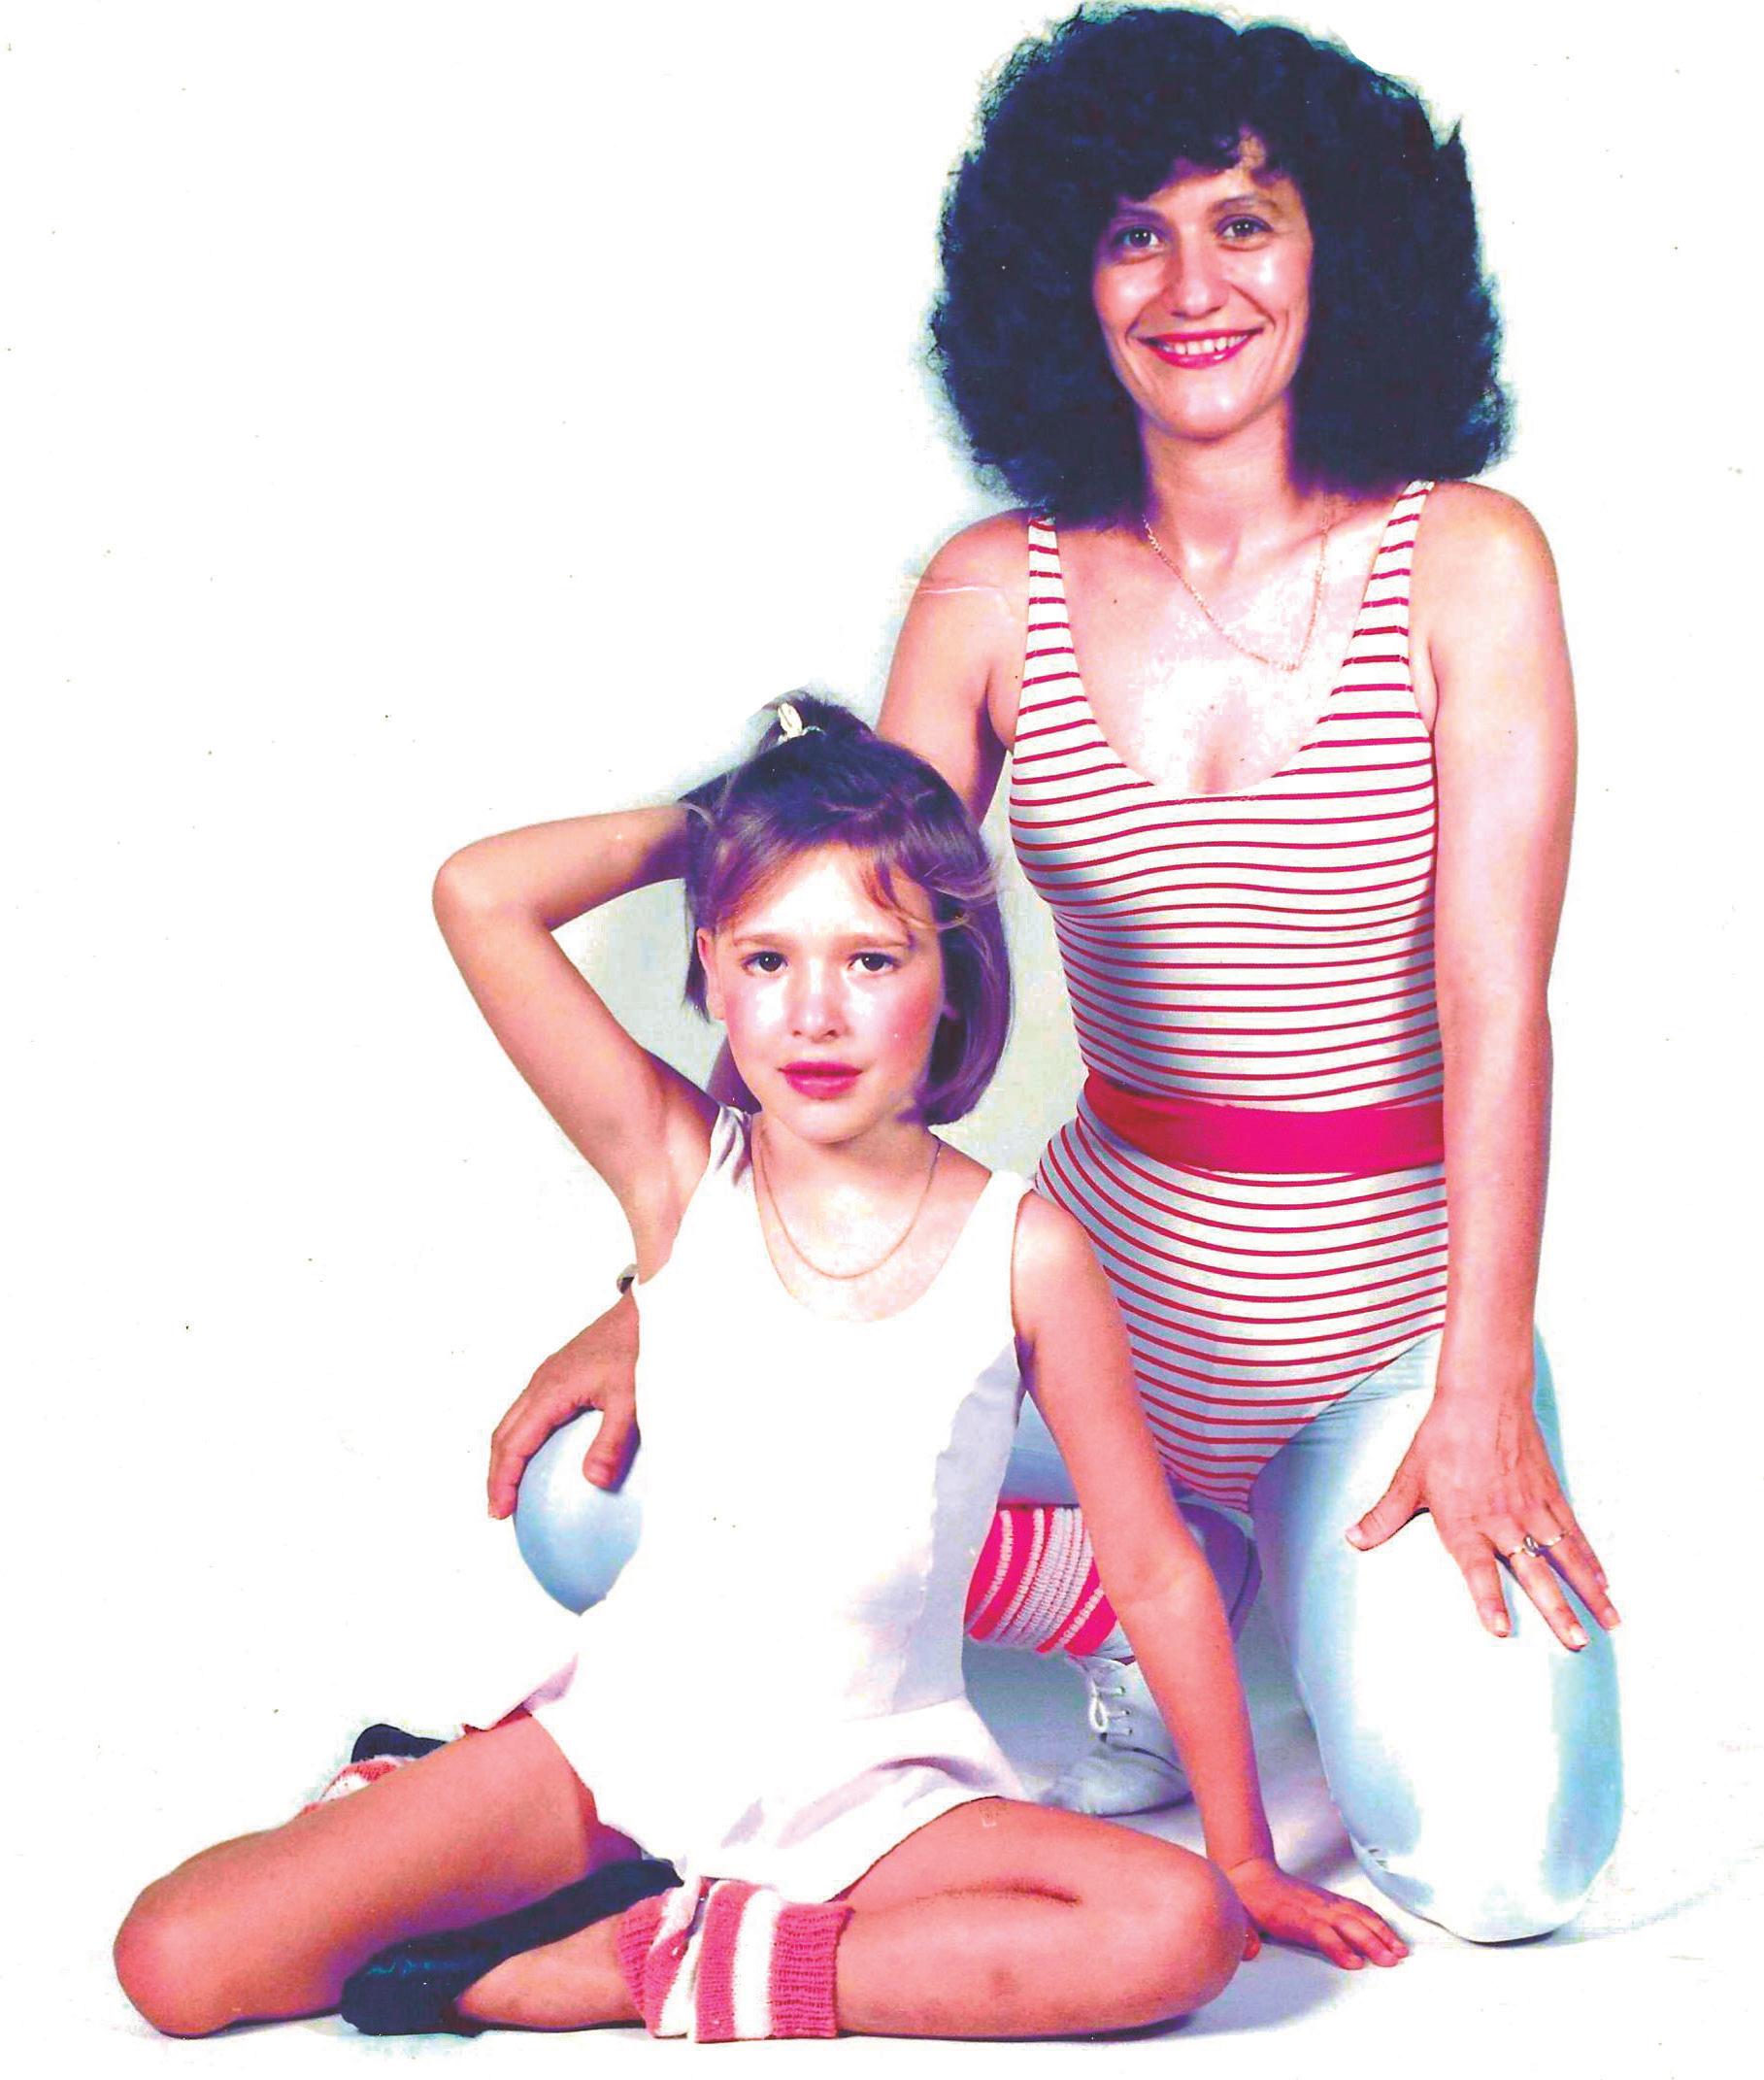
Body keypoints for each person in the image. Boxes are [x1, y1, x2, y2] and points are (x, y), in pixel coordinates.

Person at [492, 5, 1623, 1944]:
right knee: (593, 1509)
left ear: (1339, 254)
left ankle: (1229, 1620)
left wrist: (1477, 1385)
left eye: (1244, 223)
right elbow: (846, 942)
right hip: (1073, 1313)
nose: (1191, 286)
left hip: (1380, 1327)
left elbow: (1498, 1006)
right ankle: (1152, 1595)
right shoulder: (985, 587)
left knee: (1506, 1870)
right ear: (1063, 282)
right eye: (1131, 236)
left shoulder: (1469, 563)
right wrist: (678, 1292)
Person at [114, 699, 1406, 2045]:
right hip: (618, 1745)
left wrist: (1245, 1858)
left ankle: (632, 1963)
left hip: (872, 1795)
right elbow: (479, 896)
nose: (814, 1013)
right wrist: (721, 831)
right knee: (176, 1962)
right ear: (713, 972)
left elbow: (1151, 1567)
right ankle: (512, 1841)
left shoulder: (1028, 1251)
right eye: (768, 956)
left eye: (871, 959)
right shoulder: (682, 1172)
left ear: (952, 974)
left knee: (1176, 1928)